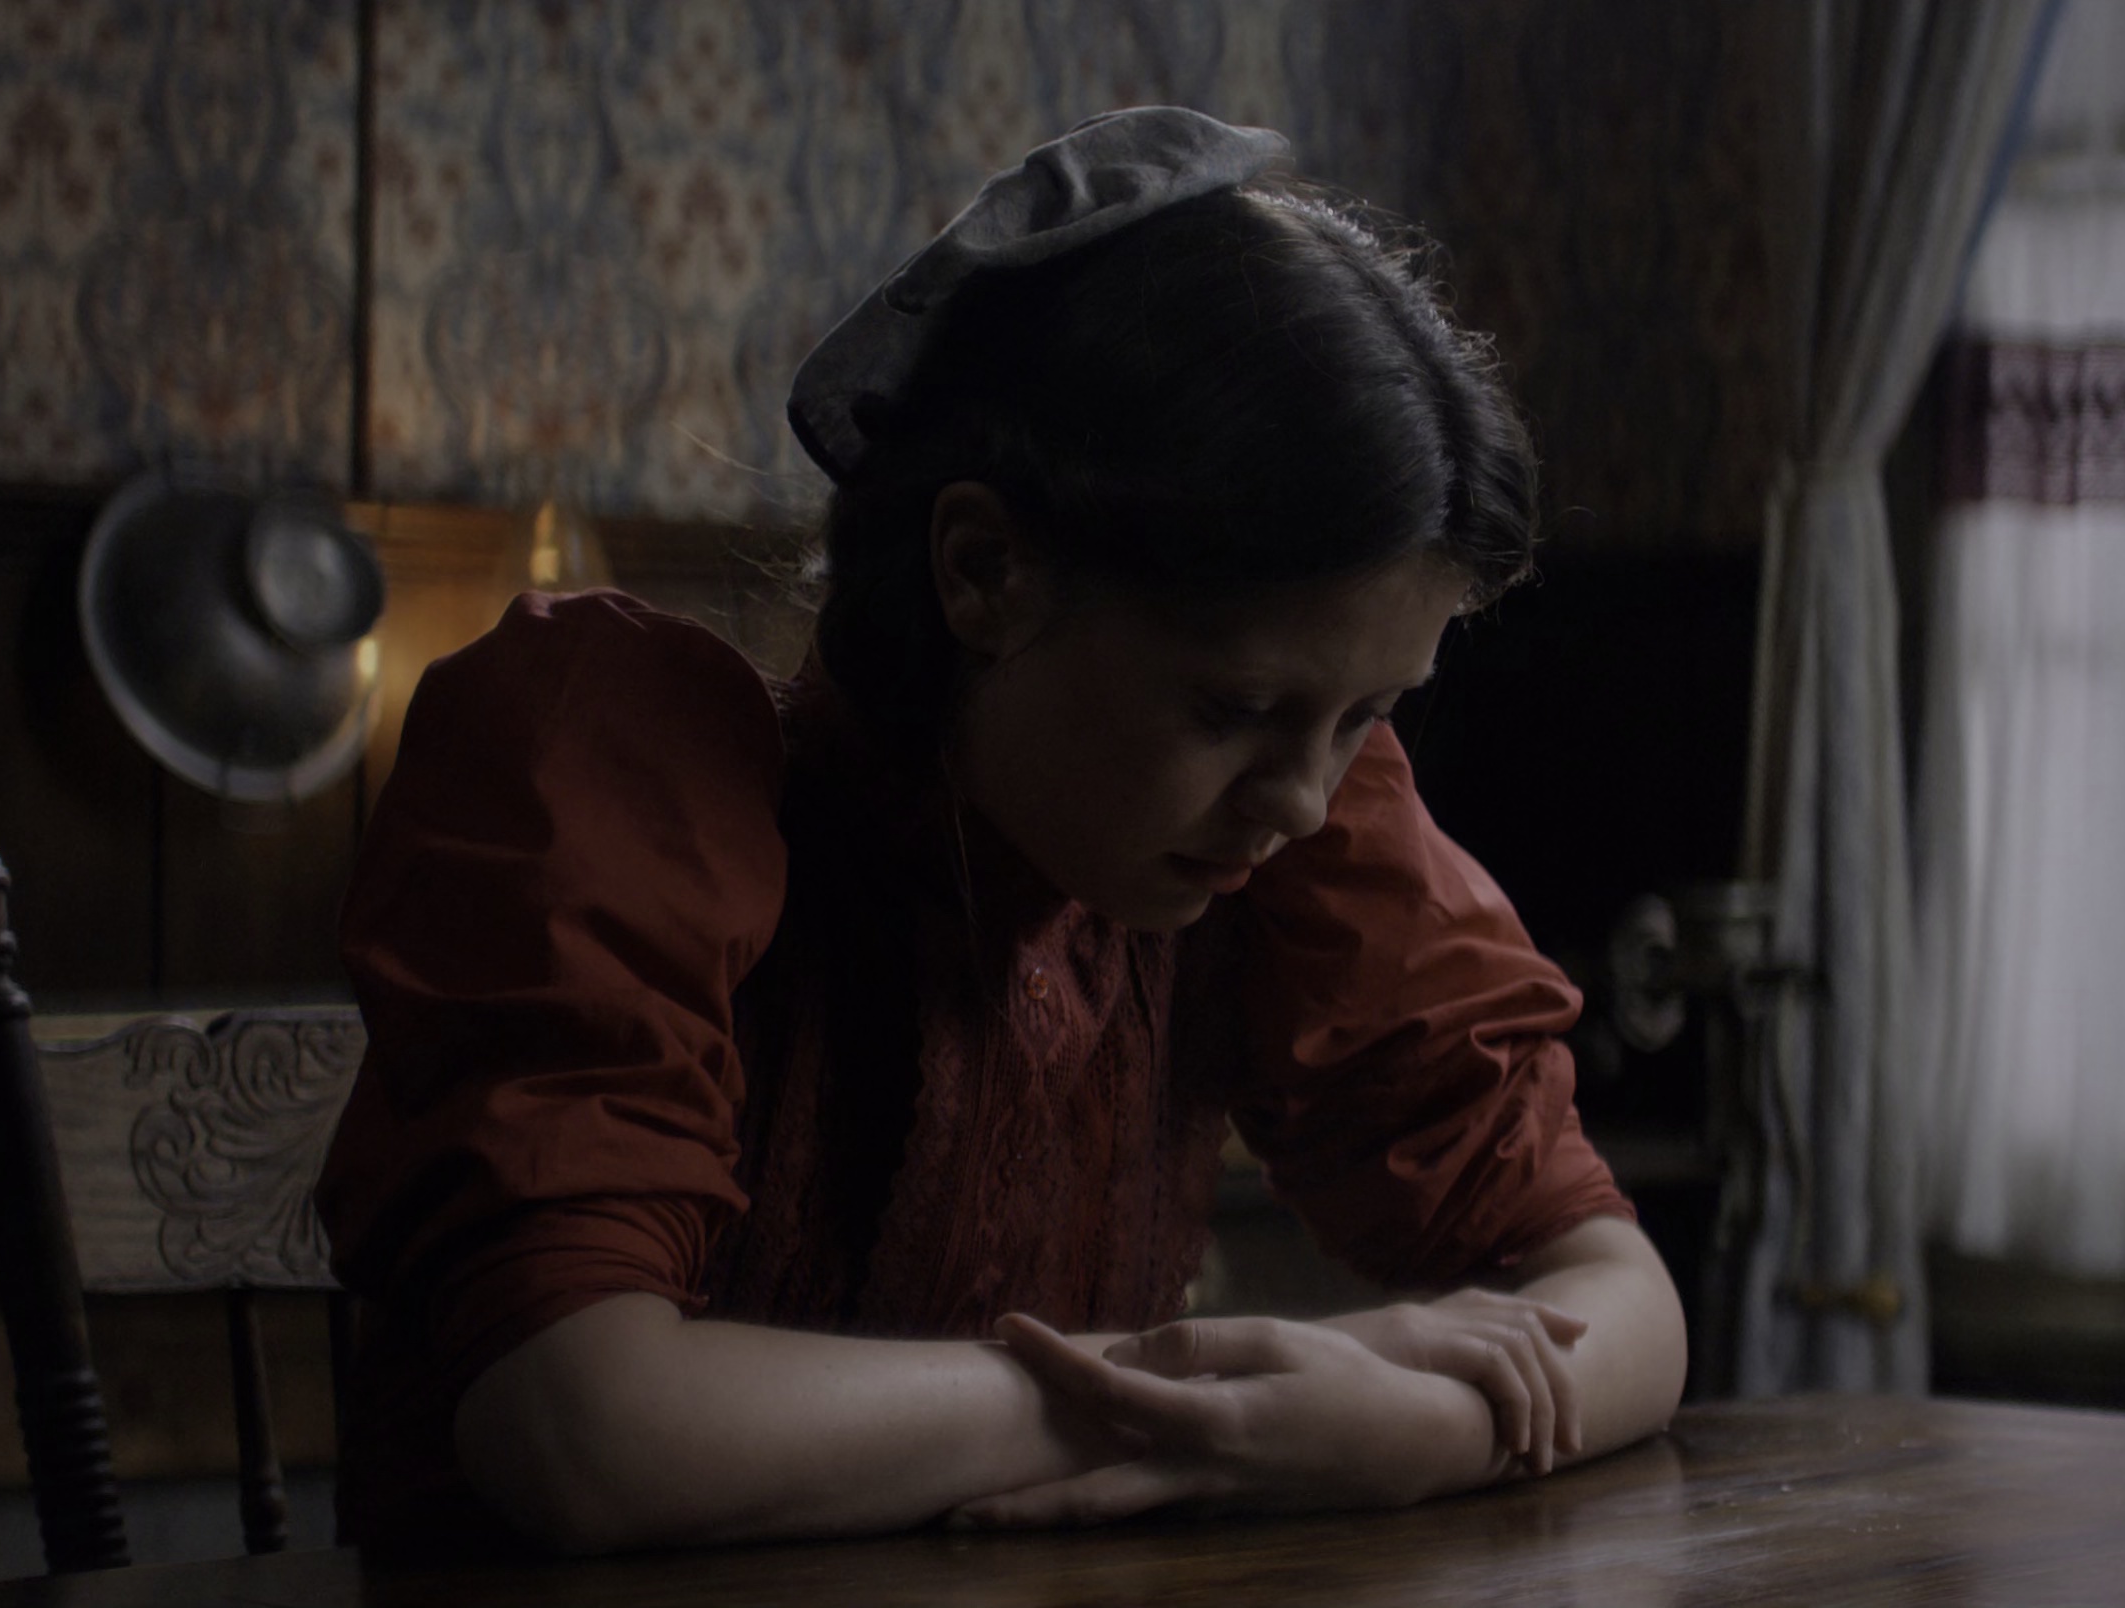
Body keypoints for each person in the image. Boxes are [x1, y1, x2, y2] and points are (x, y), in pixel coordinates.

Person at [314, 107, 1686, 1557]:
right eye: (1234, 707)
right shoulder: (615, 763)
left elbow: (1621, 1291)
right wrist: (1198, 1405)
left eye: (1365, 714)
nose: (1299, 797)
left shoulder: (1299, 831)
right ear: (983, 571)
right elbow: (585, 1428)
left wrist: (1427, 1429)